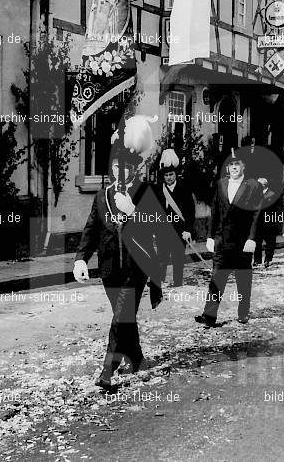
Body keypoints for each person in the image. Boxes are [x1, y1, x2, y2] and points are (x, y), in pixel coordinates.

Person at [73, 146, 165, 391]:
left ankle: (107, 369)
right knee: (124, 318)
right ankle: (137, 359)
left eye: (126, 168)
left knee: (121, 316)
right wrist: (81, 259)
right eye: (116, 167)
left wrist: (133, 211)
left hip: (136, 267)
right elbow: (91, 230)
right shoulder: (102, 196)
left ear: (134, 169)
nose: (120, 172)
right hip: (109, 267)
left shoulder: (147, 191)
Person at [195, 148, 263, 328]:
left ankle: (243, 313)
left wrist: (252, 238)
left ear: (243, 166)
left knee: (243, 279)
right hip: (222, 241)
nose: (234, 167)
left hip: (242, 242)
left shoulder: (253, 185)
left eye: (237, 164)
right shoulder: (221, 184)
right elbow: (215, 212)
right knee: (217, 278)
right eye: (231, 165)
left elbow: (257, 214)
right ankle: (209, 315)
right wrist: (210, 236)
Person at [155, 149, 195, 287]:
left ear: (176, 174)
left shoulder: (184, 189)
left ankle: (178, 283)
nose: (169, 178)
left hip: (180, 231)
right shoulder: (159, 190)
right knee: (162, 258)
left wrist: (188, 230)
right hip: (163, 230)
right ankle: (160, 283)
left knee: (178, 258)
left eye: (171, 174)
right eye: (166, 175)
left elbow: (190, 212)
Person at [254, 177, 280, 268]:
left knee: (270, 243)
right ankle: (257, 260)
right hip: (258, 223)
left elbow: (277, 210)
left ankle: (268, 259)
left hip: (269, 223)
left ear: (264, 185)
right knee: (257, 242)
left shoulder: (272, 195)